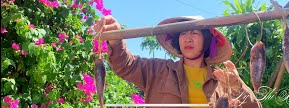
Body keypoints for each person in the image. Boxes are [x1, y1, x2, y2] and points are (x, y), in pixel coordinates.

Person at [94, 15, 262, 107]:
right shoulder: (157, 70)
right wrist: (115, 40)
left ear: (206, 40)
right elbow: (126, 66)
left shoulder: (222, 79)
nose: (187, 38)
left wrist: (238, 86)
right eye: (182, 33)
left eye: (194, 33)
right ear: (177, 41)